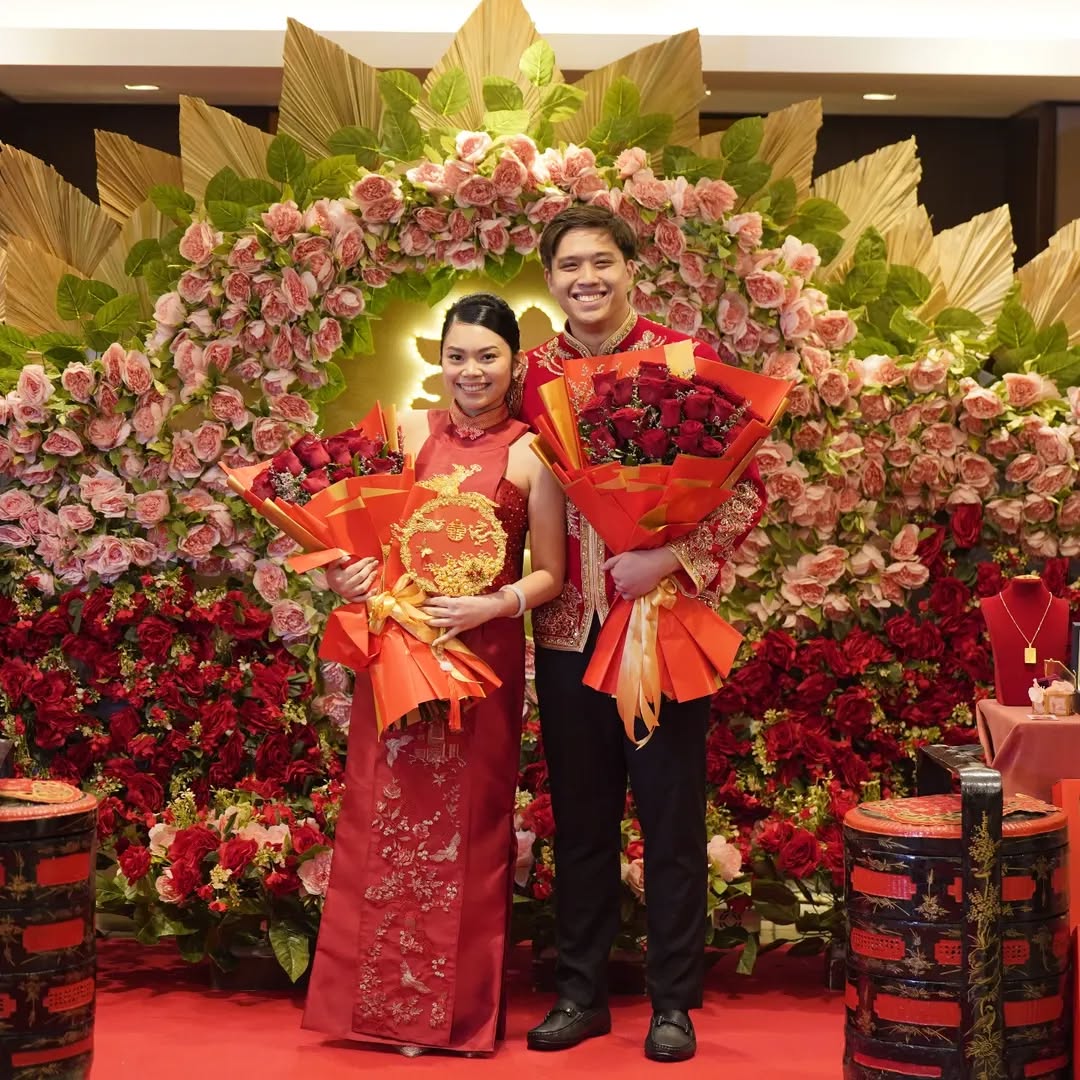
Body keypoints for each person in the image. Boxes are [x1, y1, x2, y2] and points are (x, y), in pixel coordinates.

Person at [520, 207, 765, 1063]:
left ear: (631, 268)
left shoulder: (684, 360)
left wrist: (669, 560)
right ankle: (581, 993)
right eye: (567, 267)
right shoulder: (535, 370)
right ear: (550, 280)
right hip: (565, 628)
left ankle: (672, 1003)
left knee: (670, 819)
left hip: (656, 623)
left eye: (600, 263)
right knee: (580, 822)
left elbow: (743, 488)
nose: (584, 280)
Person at [303, 293, 566, 1056]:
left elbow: (548, 571)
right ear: (439, 359)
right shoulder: (408, 432)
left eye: (488, 356)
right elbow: (352, 531)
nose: (471, 370)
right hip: (399, 649)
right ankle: (380, 1010)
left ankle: (447, 1017)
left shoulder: (531, 453)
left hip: (481, 658)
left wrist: (493, 604)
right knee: (385, 817)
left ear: (514, 364)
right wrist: (344, 576)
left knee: (472, 829)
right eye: (457, 355)